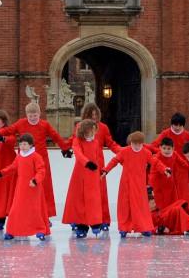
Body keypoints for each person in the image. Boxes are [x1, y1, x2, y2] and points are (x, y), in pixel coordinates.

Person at [0, 102, 71, 218]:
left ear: (39, 114)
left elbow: (56, 136)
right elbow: (9, 130)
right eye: (30, 116)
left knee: (43, 187)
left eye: (35, 115)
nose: (33, 118)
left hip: (41, 160)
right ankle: (23, 212)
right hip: (24, 161)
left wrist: (65, 148)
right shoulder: (21, 123)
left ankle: (45, 214)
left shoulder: (45, 125)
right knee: (24, 186)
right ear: (26, 115)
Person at [101, 131, 171, 238]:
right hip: (126, 184)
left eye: (140, 143)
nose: (137, 146)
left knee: (141, 206)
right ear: (131, 143)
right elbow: (114, 161)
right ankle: (124, 228)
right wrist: (105, 170)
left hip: (139, 185)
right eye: (135, 143)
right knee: (125, 206)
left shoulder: (146, 152)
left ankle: (144, 227)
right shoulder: (125, 152)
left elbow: (155, 162)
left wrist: (164, 169)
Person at [0, 133, 50, 241]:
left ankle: (40, 230)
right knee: (15, 209)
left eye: (25, 144)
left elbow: (41, 170)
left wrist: (35, 180)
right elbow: (12, 167)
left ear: (31, 145)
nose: (22, 146)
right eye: (21, 144)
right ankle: (11, 230)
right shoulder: (19, 157)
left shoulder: (36, 157)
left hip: (33, 187)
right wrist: (1, 173)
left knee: (34, 210)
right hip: (21, 187)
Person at [62, 118, 106, 237]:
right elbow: (78, 153)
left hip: (93, 174)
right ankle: (82, 225)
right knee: (80, 200)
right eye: (91, 130)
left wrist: (101, 169)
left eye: (94, 130)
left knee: (93, 199)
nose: (93, 133)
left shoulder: (95, 142)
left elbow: (97, 157)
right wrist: (87, 163)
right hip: (81, 174)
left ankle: (95, 223)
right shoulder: (77, 141)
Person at [80, 102, 120, 231]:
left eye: (96, 115)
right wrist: (65, 147)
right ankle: (83, 220)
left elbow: (111, 143)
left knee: (101, 193)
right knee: (84, 194)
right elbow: (73, 140)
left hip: (98, 165)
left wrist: (122, 152)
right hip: (85, 165)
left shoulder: (103, 128)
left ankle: (103, 219)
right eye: (91, 116)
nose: (94, 118)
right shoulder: (81, 127)